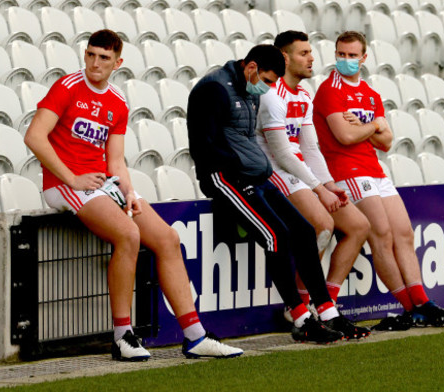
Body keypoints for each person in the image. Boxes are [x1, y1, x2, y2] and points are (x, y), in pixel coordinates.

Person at [23, 29, 243, 361]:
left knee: (168, 238)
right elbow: (34, 137)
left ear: (118, 62)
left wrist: (130, 192)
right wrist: (72, 177)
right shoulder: (67, 87)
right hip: (65, 184)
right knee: (129, 235)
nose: (95, 63)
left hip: (101, 184)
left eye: (104, 58)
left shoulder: (117, 101)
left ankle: (195, 336)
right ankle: (122, 336)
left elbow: (115, 161)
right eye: (91, 55)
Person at [187, 44, 344, 344]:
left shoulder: (248, 89)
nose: (270, 88)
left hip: (255, 175)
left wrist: (255, 169)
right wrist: (235, 170)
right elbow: (205, 146)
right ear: (251, 68)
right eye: (269, 81)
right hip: (225, 178)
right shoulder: (214, 89)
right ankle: (300, 317)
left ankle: (327, 311)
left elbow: (244, 139)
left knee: (302, 230)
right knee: (276, 236)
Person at [312, 31, 444, 329]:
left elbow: (388, 142)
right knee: (382, 236)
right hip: (347, 171)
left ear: (364, 58)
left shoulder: (370, 93)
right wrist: (374, 125)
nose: (346, 60)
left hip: (375, 170)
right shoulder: (330, 90)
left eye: (353, 56)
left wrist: (369, 125)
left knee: (404, 233)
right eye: (342, 54)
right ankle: (410, 307)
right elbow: (345, 135)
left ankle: (422, 302)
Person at [255, 31, 371, 339]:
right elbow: (281, 154)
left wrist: (329, 185)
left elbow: (309, 149)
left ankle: (324, 303)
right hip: (273, 170)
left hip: (299, 171)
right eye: (304, 53)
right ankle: (301, 308)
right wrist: (318, 188)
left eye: (310, 52)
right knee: (322, 224)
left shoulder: (303, 95)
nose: (312, 58)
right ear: (285, 58)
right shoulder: (271, 93)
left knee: (358, 225)